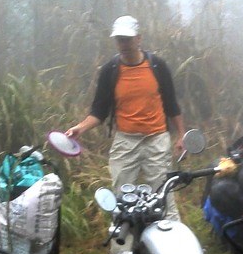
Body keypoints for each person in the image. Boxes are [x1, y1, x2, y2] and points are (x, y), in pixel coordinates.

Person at [65, 15, 186, 221]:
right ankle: (122, 251)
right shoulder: (110, 71)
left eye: (128, 39)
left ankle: (169, 246)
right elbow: (99, 111)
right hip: (126, 140)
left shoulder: (157, 66)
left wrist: (182, 136)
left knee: (163, 196)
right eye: (120, 39)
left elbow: (172, 105)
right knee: (120, 200)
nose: (124, 44)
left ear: (139, 38)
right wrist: (80, 128)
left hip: (156, 138)